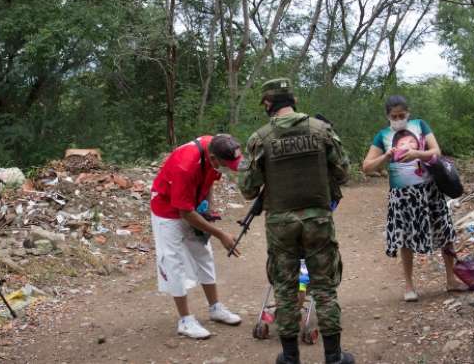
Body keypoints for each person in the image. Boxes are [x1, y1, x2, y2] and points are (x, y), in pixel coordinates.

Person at [239, 78, 354, 364]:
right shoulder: (322, 130)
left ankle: (290, 357)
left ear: (268, 104)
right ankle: (334, 356)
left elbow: (248, 189)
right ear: (293, 100)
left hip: (281, 224)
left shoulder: (260, 138)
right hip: (318, 219)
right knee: (324, 286)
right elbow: (343, 173)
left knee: (285, 287)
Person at [361, 95, 466, 302]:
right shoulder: (382, 135)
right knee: (405, 239)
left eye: (402, 115)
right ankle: (409, 286)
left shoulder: (420, 125)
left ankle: (451, 280)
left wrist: (418, 153)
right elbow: (366, 167)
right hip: (402, 195)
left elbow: (436, 151)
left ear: (408, 113)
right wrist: (386, 157)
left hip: (430, 190)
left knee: (445, 233)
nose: (398, 119)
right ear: (387, 116)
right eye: (394, 116)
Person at [150, 134, 244, 340]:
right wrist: (219, 234)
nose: (228, 168)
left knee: (203, 253)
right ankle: (185, 320)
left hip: (192, 204)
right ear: (213, 158)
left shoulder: (218, 145)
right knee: (172, 261)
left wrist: (208, 208)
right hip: (167, 209)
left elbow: (209, 179)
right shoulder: (185, 165)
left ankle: (215, 307)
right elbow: (184, 213)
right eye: (227, 165)